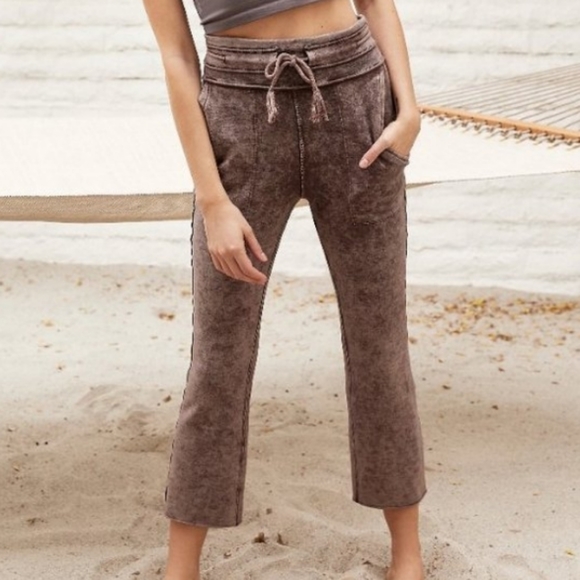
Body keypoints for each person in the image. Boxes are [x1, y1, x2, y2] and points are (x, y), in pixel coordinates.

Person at [141, 0, 427, 578]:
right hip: (238, 108)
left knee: (379, 346)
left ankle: (408, 556)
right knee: (218, 359)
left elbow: (373, 2)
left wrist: (410, 111)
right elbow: (177, 57)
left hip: (355, 96)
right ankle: (181, 568)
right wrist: (212, 200)